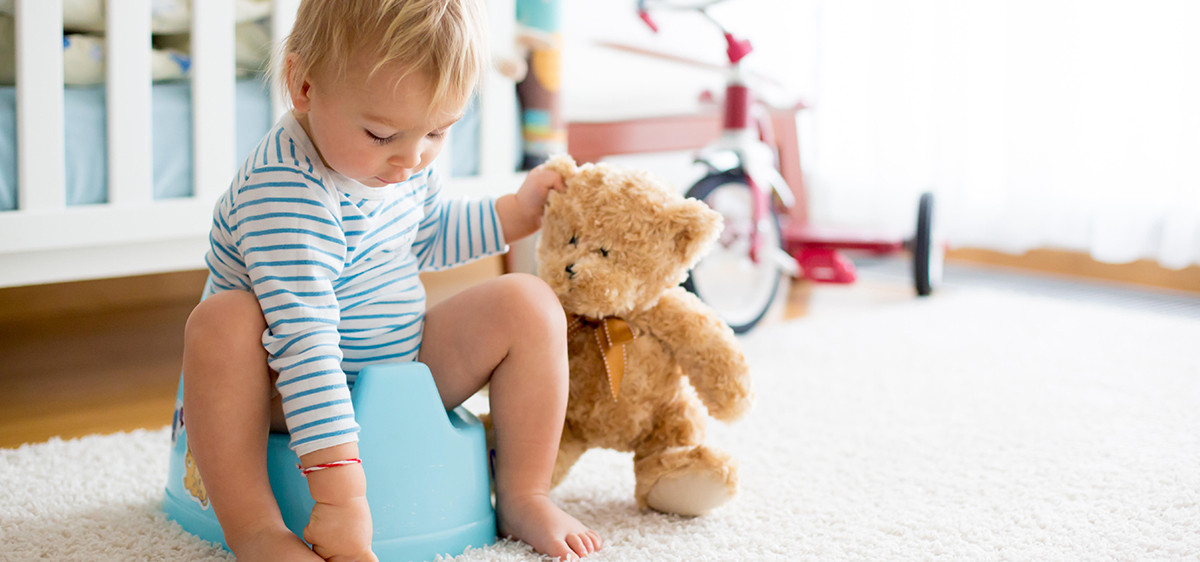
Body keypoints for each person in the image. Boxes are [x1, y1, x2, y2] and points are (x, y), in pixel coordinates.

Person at [179, 0, 602, 560]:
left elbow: (426, 232)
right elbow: (304, 345)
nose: (412, 159)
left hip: (396, 371)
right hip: (278, 387)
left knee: (530, 302)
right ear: (304, 87)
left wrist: (513, 213)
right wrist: (341, 500)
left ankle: (524, 493)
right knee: (223, 322)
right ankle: (257, 529)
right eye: (382, 135)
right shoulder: (284, 191)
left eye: (438, 131)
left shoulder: (404, 156)